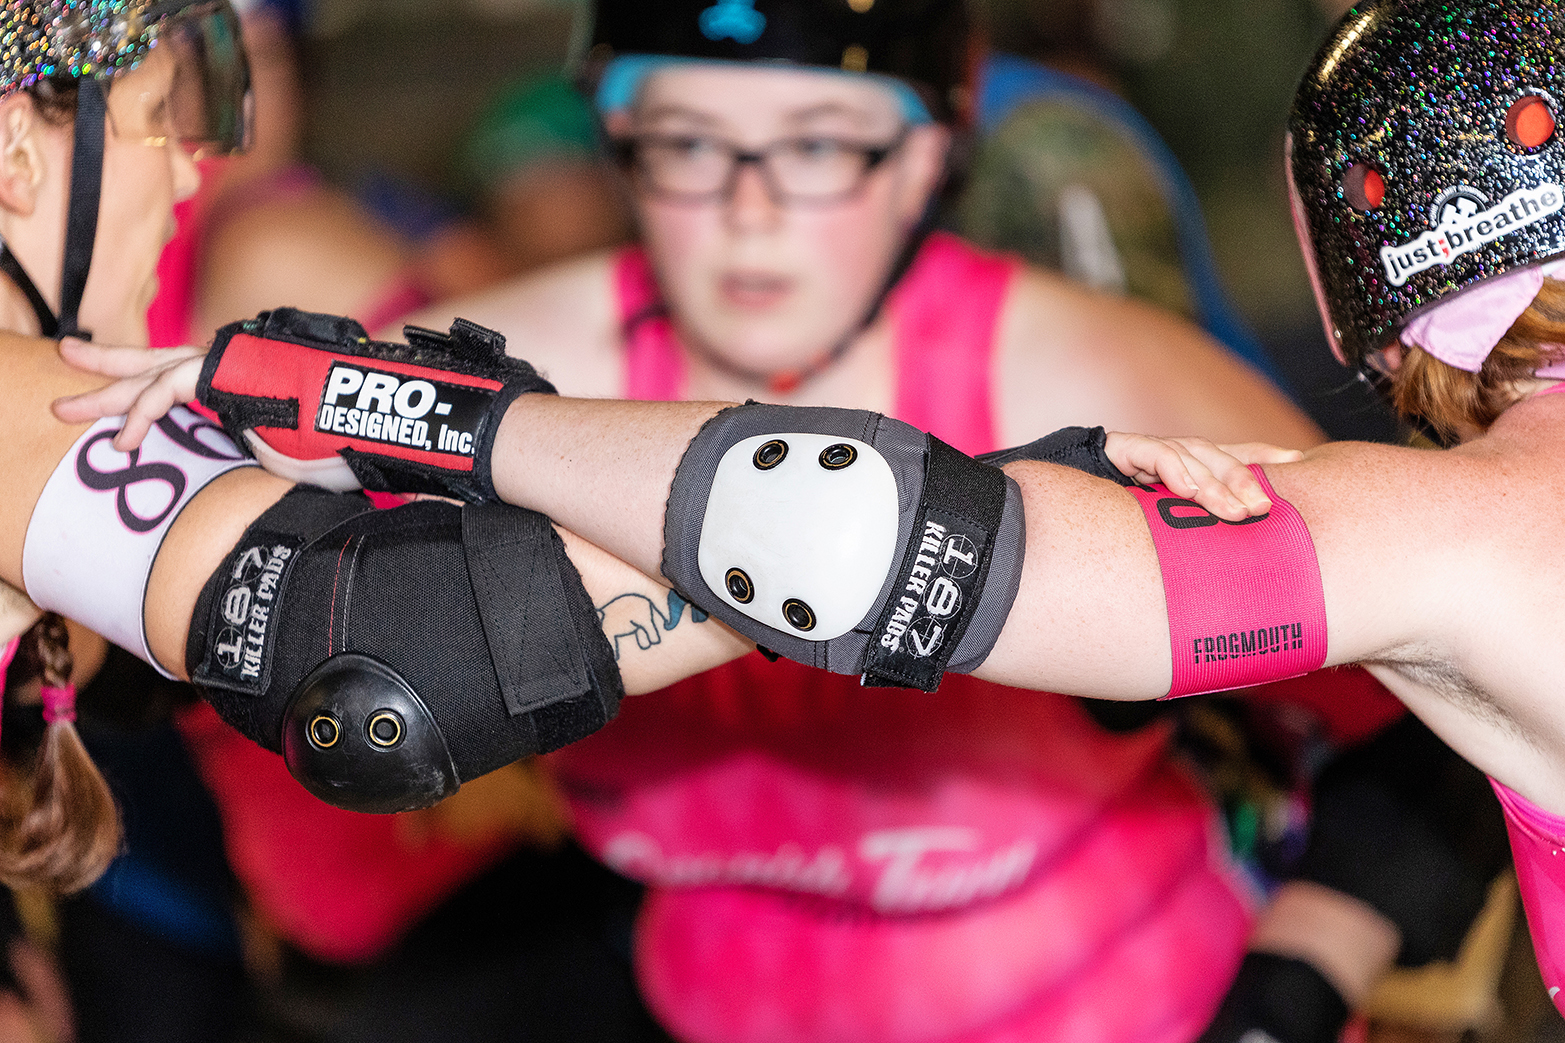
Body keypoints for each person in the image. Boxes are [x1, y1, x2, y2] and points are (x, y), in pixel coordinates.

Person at [91, 0, 1565, 1011]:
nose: (746, 212)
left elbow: (1414, 735)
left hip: (1125, 998)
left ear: (927, 153)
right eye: (687, 145)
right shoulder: (517, 331)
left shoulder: (1152, 388)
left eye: (814, 146)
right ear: (620, 146)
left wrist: (1285, 993)